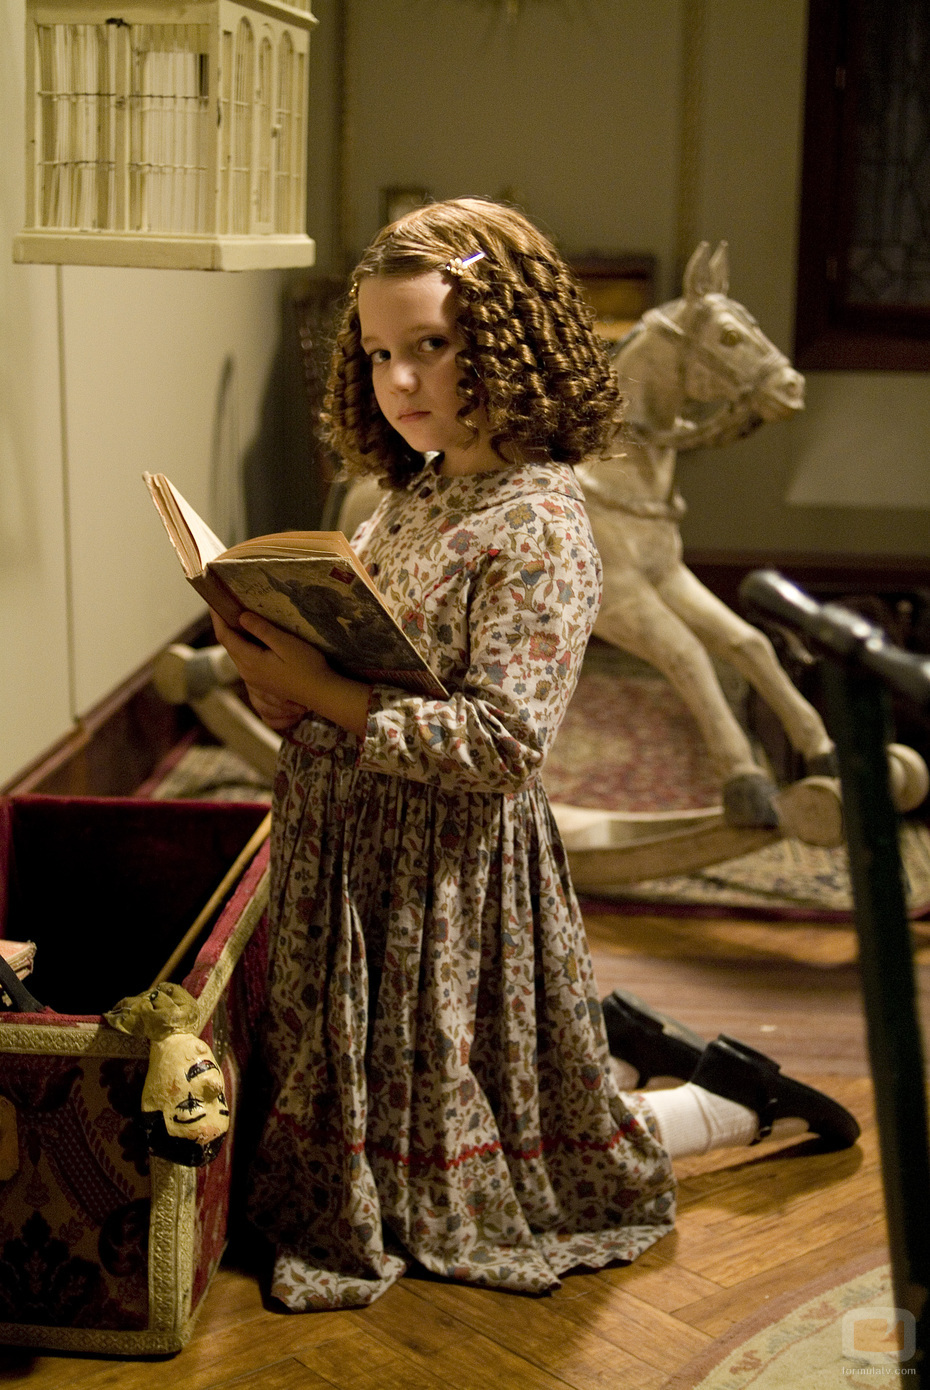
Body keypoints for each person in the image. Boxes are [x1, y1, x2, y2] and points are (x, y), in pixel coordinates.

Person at [212, 197, 858, 1312]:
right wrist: (285, 691)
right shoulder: (415, 491)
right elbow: (375, 672)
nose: (399, 380)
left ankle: (729, 1102)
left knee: (525, 1156)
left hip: (442, 877)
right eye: (377, 354)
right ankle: (609, 1055)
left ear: (507, 343)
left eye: (430, 346)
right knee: (411, 1109)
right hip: (354, 856)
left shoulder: (541, 523)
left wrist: (327, 695)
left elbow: (502, 744)